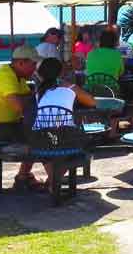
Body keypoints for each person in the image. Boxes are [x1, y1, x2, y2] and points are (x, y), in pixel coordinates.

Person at [0, 44, 43, 191]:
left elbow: (28, 99)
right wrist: (32, 96)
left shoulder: (18, 77)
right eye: (33, 64)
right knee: (43, 137)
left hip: (4, 125)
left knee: (40, 133)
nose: (35, 68)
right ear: (20, 63)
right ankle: (31, 179)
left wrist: (30, 96)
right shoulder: (6, 76)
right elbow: (20, 105)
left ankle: (23, 177)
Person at [32, 58, 96, 189]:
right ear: (61, 73)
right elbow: (92, 102)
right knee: (85, 142)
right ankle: (54, 180)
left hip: (41, 141)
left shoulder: (38, 92)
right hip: (67, 140)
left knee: (50, 147)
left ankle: (52, 181)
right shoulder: (69, 88)